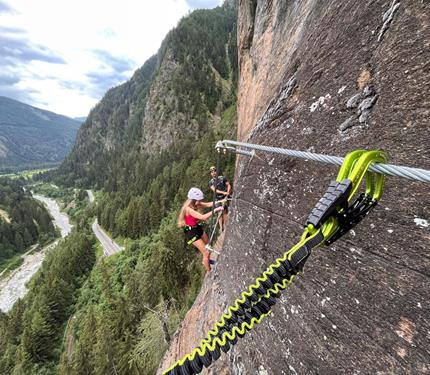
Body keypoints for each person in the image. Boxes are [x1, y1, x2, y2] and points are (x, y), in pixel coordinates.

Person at [177, 187, 224, 272]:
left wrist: (219, 202)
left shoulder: (195, 203)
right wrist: (216, 209)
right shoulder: (188, 209)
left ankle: (205, 261)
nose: (199, 202)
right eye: (198, 200)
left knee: (208, 246)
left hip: (197, 228)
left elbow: (208, 204)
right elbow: (203, 217)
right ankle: (210, 271)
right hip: (191, 233)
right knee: (206, 252)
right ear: (193, 199)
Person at [209, 166, 231, 232]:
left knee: (225, 212)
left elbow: (228, 185)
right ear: (210, 174)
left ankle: (225, 225)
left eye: (214, 171)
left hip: (224, 197)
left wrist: (228, 192)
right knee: (219, 213)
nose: (213, 173)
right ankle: (221, 228)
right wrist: (224, 192)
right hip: (218, 199)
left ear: (217, 171)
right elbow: (215, 190)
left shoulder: (222, 178)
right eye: (212, 172)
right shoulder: (211, 182)